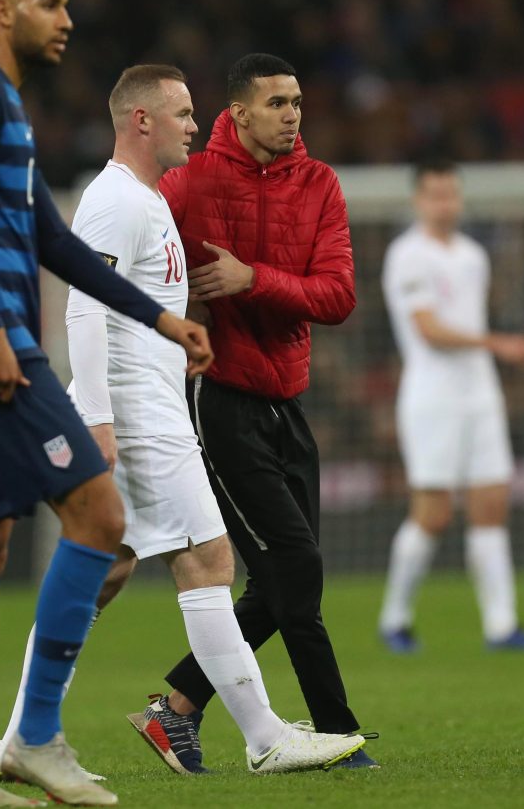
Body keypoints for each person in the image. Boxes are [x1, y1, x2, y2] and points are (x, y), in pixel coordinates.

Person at [0, 65, 366, 780]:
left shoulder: (147, 198)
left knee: (104, 571)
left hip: (148, 397)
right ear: (141, 121)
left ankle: (21, 737)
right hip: (134, 414)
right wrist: (99, 416)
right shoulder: (115, 202)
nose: (196, 126)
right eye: (184, 113)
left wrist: (179, 334)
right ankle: (263, 736)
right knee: (209, 559)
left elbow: (128, 299)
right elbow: (83, 310)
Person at [0, 0, 213, 808]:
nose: (66, 16)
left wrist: (160, 319)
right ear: (3, 12)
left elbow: (57, 243)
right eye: (50, 3)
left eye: (67, 2)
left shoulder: (6, 108)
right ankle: (36, 735)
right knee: (101, 514)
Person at [128, 52, 378, 771]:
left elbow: (338, 296)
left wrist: (250, 278)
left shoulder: (320, 184)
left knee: (282, 581)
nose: (292, 113)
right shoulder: (188, 183)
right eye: (276, 102)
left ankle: (175, 709)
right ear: (237, 113)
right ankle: (338, 733)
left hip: (287, 401)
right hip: (220, 398)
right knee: (294, 568)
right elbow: (137, 260)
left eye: (296, 100)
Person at [378, 160, 524, 654]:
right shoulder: (407, 255)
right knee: (433, 514)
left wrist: (490, 352)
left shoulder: (474, 255)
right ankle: (395, 619)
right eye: (435, 195)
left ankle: (502, 627)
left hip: (480, 395)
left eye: (451, 194)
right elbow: (429, 330)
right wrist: (498, 344)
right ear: (419, 199)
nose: (445, 204)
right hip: (432, 398)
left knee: (491, 507)